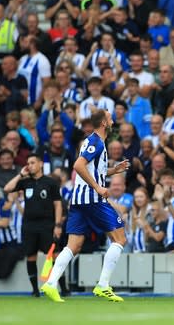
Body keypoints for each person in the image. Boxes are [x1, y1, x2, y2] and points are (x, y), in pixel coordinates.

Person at [41, 110, 130, 302]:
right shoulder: (96, 141)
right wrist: (98, 187)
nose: (113, 120)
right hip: (92, 198)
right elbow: (78, 165)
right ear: (104, 124)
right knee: (120, 238)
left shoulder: (95, 142)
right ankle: (103, 285)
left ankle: (50, 283)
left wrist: (114, 170)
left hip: (79, 200)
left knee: (74, 245)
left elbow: (93, 169)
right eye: (109, 117)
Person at [3, 153, 64, 297]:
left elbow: (58, 205)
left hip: (47, 224)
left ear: (41, 164)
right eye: (28, 163)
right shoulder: (25, 182)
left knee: (55, 255)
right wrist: (20, 174)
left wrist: (57, 225)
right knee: (31, 256)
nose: (29, 165)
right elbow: (7, 188)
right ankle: (35, 290)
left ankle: (63, 288)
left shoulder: (51, 183)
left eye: (32, 162)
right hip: (29, 225)